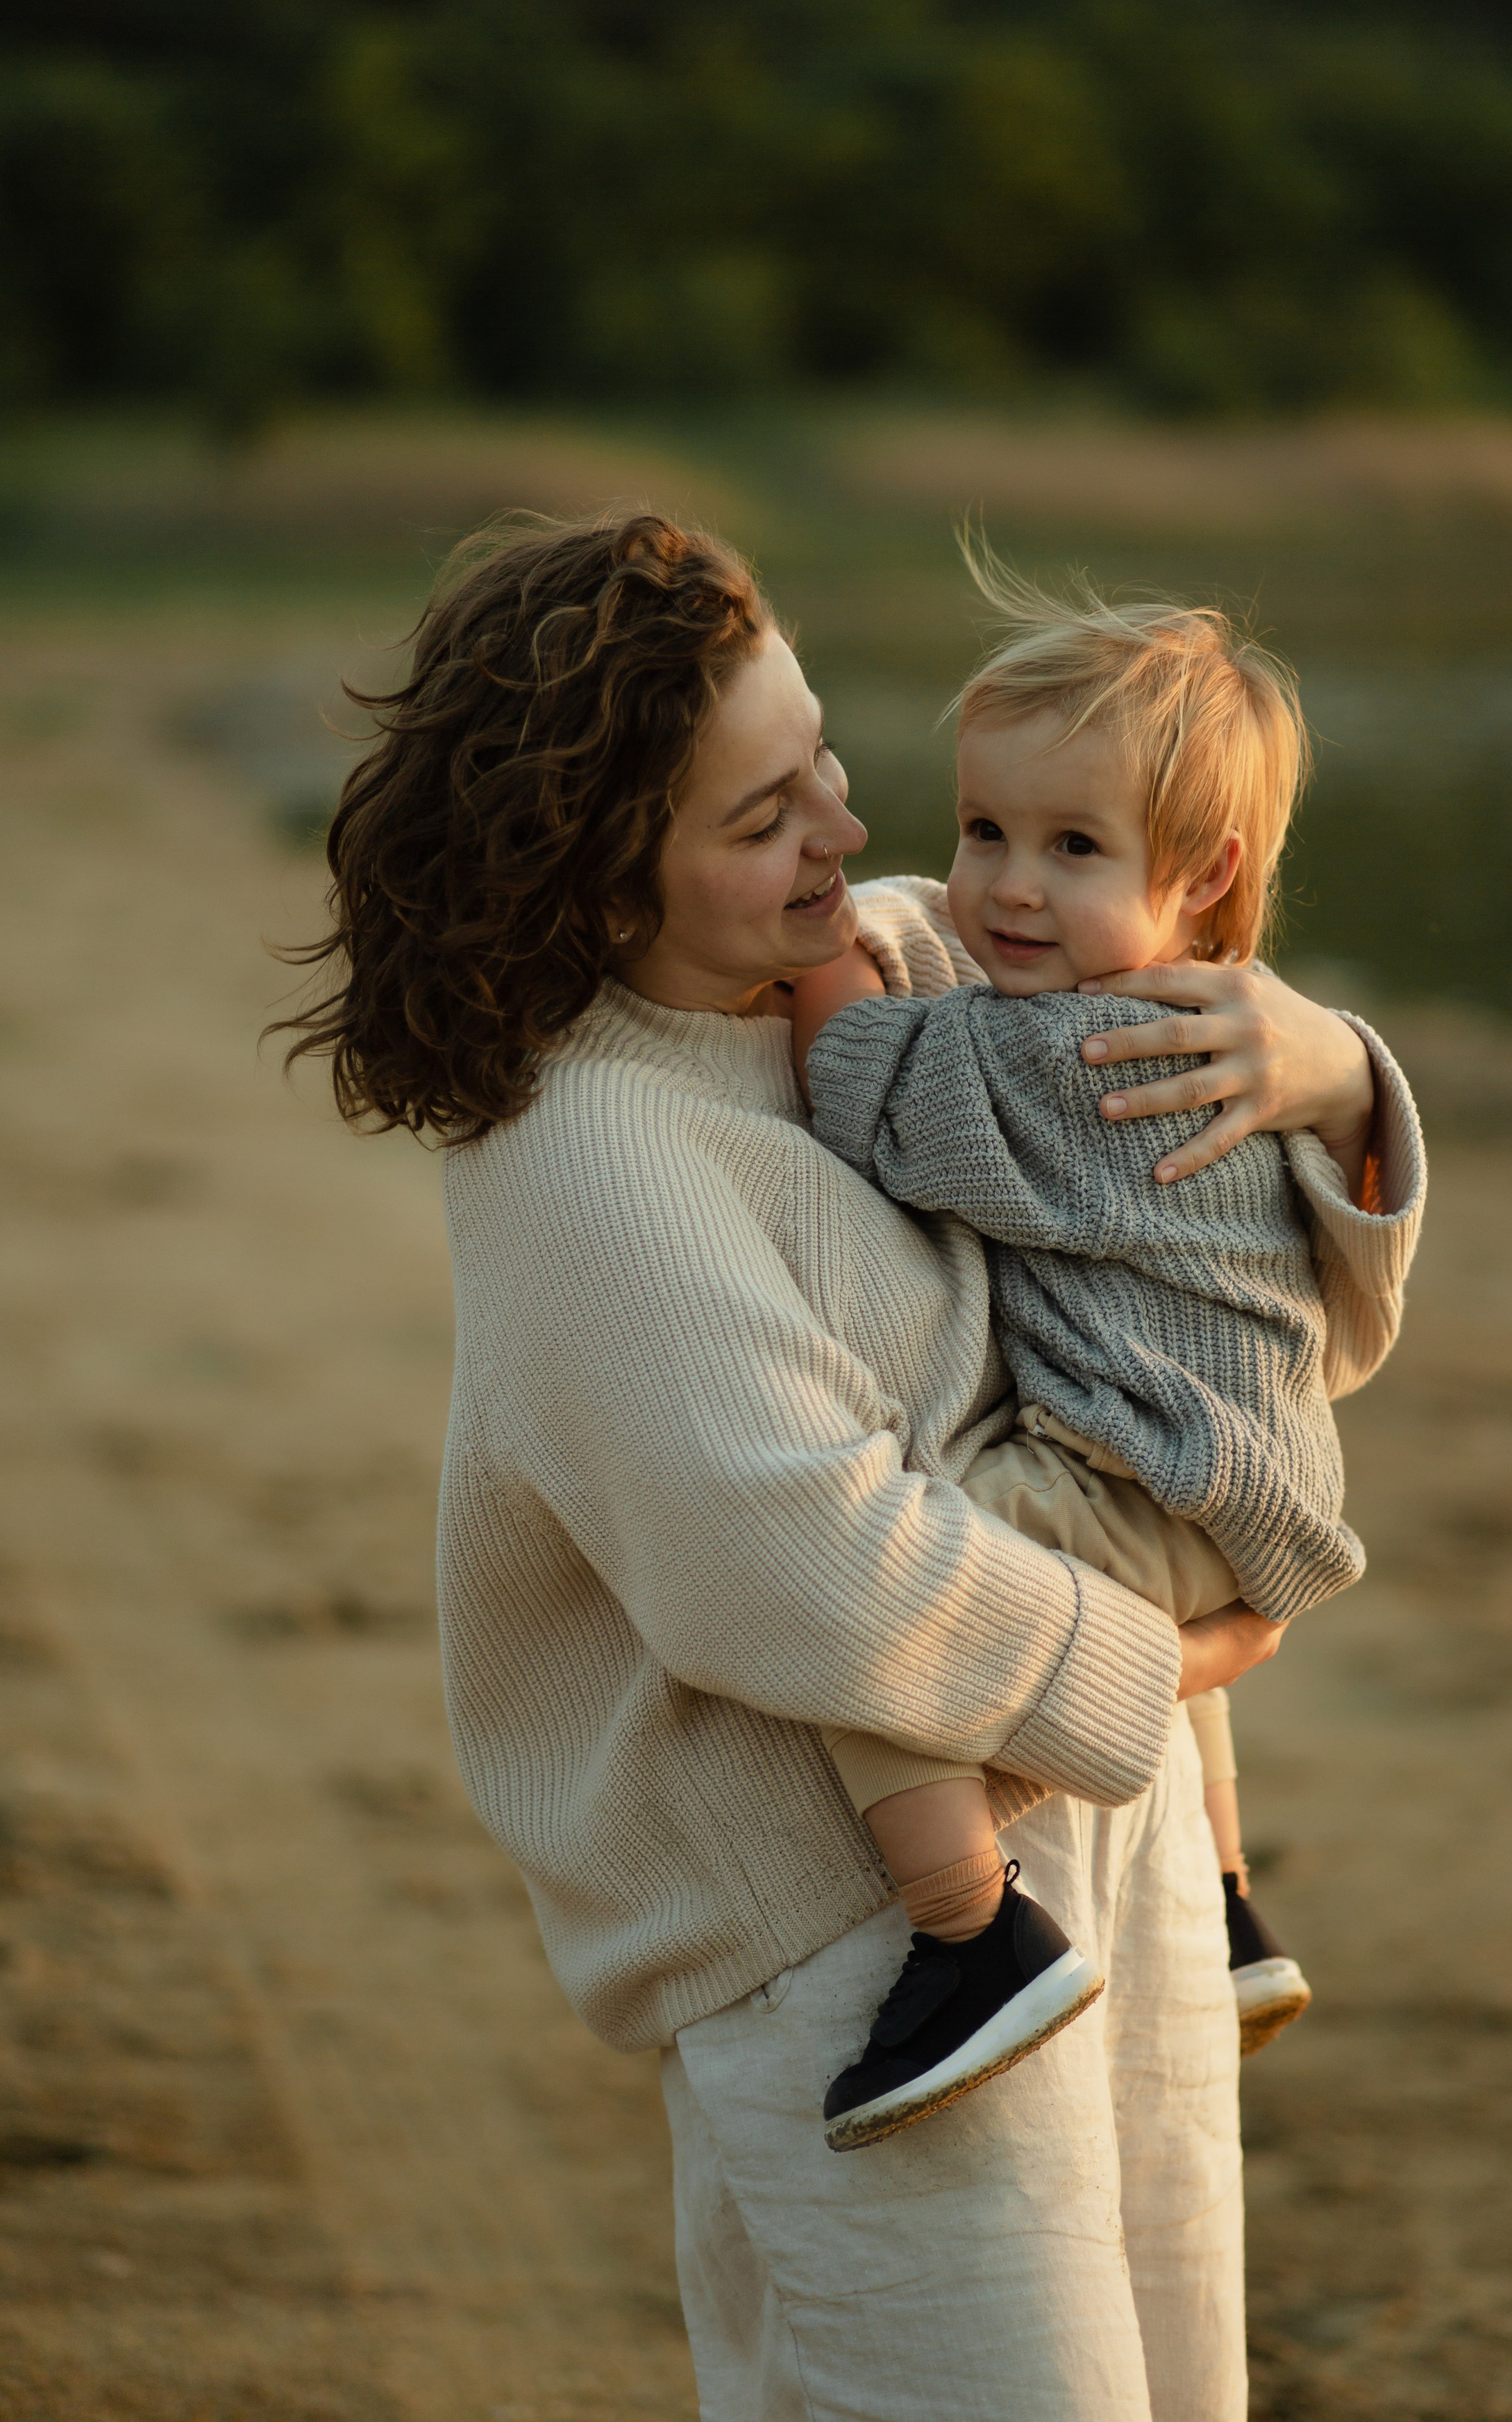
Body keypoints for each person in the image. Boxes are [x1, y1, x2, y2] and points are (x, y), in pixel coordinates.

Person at [281, 510, 1425, 2422]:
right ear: (594, 881)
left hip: (1092, 1840)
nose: (838, 827)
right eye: (757, 818)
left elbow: (1249, 1285)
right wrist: (1165, 1661)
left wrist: (1331, 1072)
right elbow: (804, 1567)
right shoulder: (591, 1161)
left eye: (818, 755)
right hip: (847, 1950)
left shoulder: (896, 950)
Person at [791, 562, 1387, 2150]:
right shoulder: (1216, 1020)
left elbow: (868, 1090)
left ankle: (963, 1928)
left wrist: (819, 975)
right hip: (1231, 1478)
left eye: (1073, 848)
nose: (1003, 888)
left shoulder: (1089, 1056)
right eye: (982, 829)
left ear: (1204, 876)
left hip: (1150, 1471)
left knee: (879, 1596)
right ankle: (1226, 1896)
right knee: (1143, 1620)